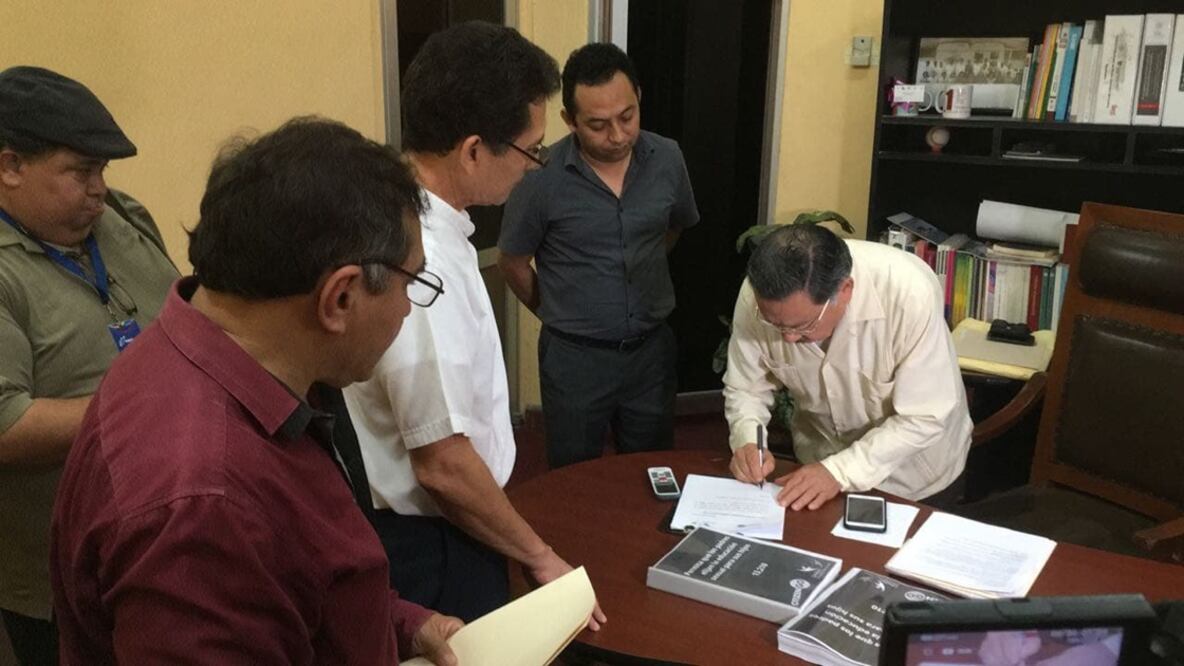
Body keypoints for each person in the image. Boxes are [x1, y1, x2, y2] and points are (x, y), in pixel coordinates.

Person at [50, 118, 462, 664]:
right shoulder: (204, 509)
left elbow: (295, 578)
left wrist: (403, 624)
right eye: (412, 283)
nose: (409, 308)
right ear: (339, 298)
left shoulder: (195, 347)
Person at [342, 22, 605, 627]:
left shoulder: (418, 217)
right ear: (472, 150)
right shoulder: (419, 259)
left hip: (449, 521)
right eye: (531, 149)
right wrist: (539, 557)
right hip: (434, 539)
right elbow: (442, 464)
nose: (536, 166)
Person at [0, 65, 179, 665]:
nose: (99, 188)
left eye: (102, 170)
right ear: (9, 167)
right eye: (80, 172)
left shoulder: (121, 216)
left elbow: (183, 310)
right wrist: (149, 403)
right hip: (67, 580)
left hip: (172, 541)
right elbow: (8, 425)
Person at [498, 42, 700, 469]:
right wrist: (555, 309)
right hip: (574, 360)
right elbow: (513, 262)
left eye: (627, 117)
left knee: (652, 472)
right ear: (569, 121)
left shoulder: (667, 158)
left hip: (650, 354)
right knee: (574, 476)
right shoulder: (540, 177)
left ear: (639, 97)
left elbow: (675, 225)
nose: (618, 135)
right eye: (598, 125)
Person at [724, 224, 971, 510]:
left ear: (845, 290)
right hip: (815, 465)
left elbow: (924, 416)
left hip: (915, 478)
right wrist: (747, 438)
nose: (788, 338)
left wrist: (838, 471)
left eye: (803, 326)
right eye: (775, 325)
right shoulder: (760, 300)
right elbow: (747, 387)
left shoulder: (908, 294)